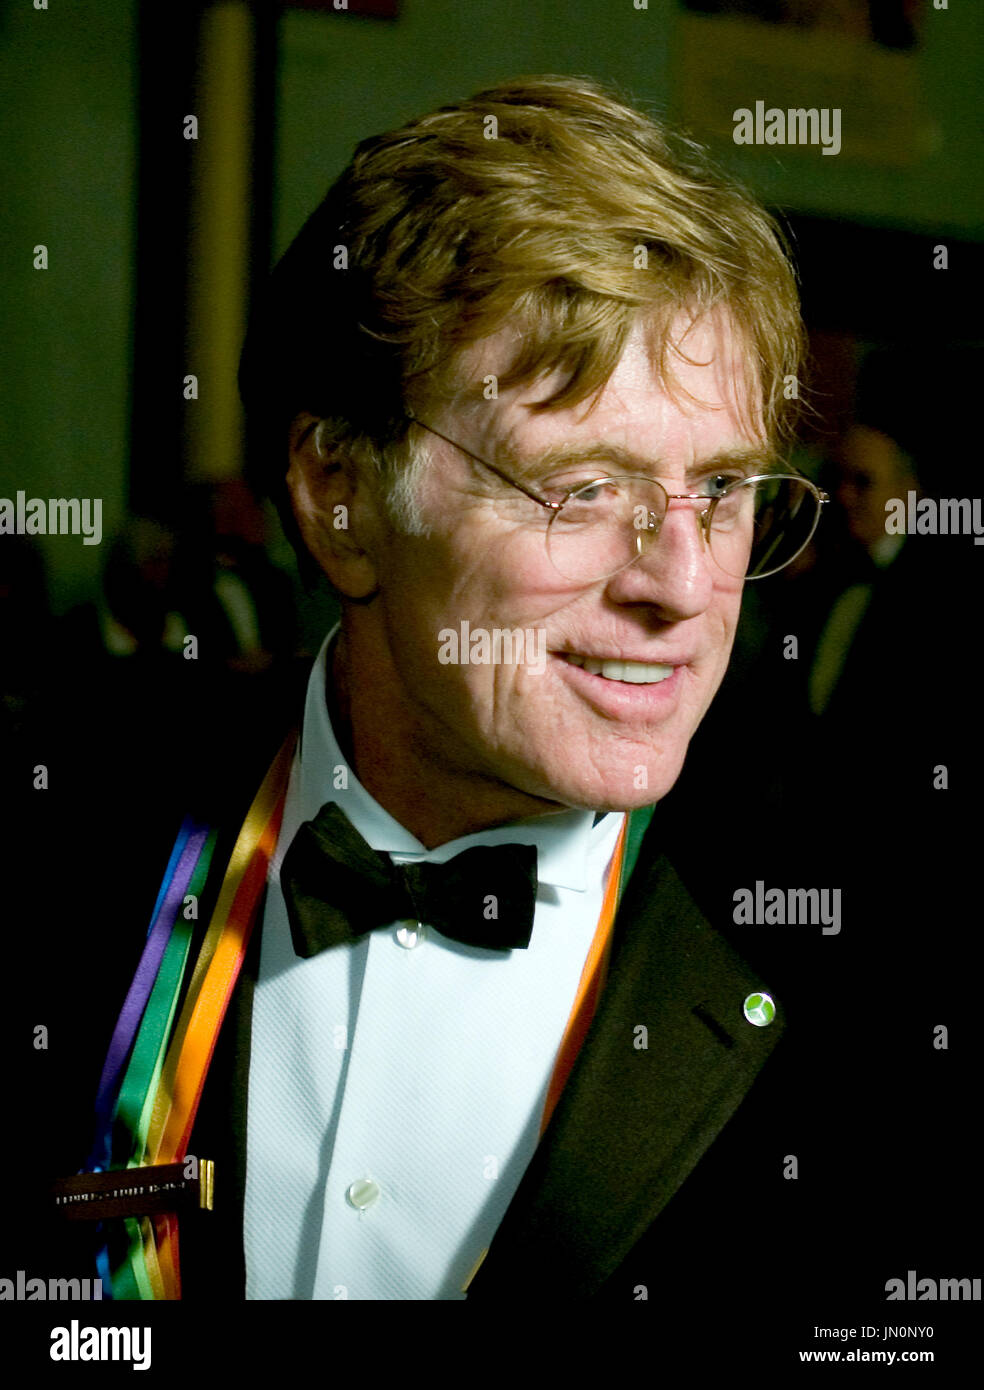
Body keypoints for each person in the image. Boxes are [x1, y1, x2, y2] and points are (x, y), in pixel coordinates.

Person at [24, 75, 885, 1312]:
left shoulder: (866, 953)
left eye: (729, 490)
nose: (687, 585)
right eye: (584, 487)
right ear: (342, 494)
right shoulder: (68, 835)